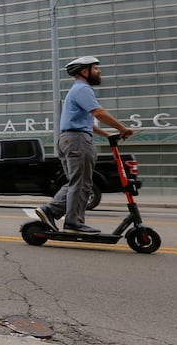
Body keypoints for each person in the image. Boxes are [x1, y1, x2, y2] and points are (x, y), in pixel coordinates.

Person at [36, 56, 134, 234]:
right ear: (84, 71)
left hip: (68, 139)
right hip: (77, 141)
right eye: (96, 68)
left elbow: (88, 122)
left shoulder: (76, 90)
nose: (99, 71)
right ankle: (73, 223)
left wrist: (107, 135)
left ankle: (50, 211)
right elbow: (99, 112)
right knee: (81, 183)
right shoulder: (83, 89)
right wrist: (122, 128)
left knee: (76, 182)